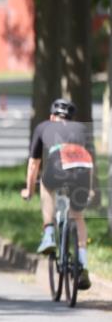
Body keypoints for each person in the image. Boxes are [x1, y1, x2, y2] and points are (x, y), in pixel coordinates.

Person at [20, 99, 96, 290]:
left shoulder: (43, 127)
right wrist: (89, 188)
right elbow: (89, 160)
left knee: (45, 187)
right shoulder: (81, 129)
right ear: (71, 118)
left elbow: (34, 164)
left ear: (52, 117)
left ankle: (48, 233)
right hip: (82, 170)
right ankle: (83, 265)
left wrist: (29, 190)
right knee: (78, 216)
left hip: (58, 166)